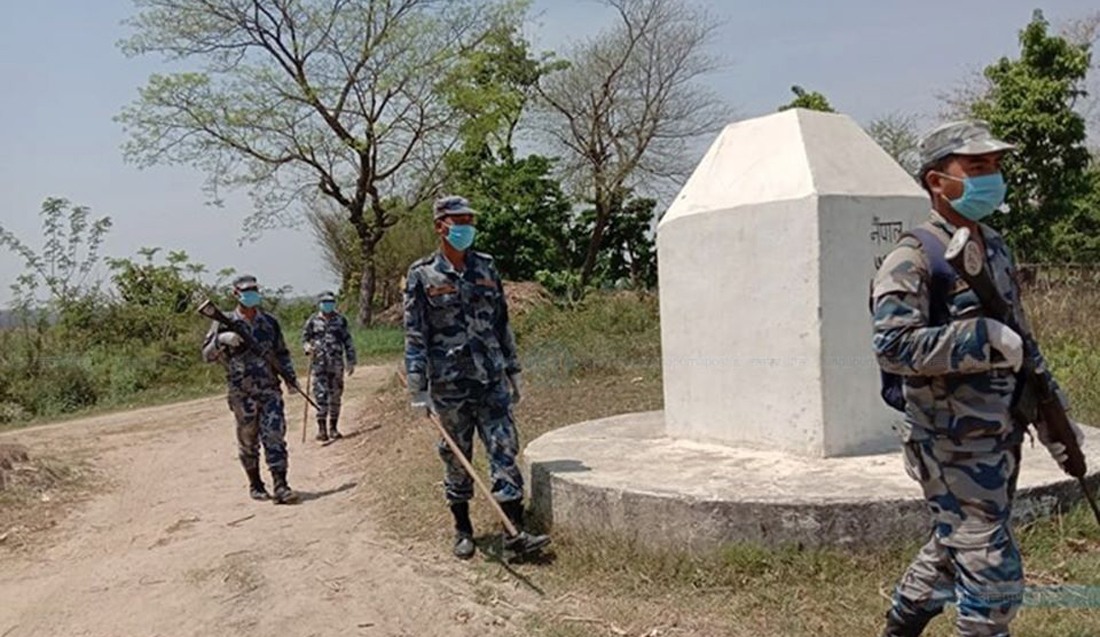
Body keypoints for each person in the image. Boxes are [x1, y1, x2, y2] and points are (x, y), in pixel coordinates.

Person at [871, 120, 1084, 637]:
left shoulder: (995, 247)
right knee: (991, 568)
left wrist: (1056, 418)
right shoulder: (913, 257)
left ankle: (900, 626)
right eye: (976, 166)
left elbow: (1022, 344)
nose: (992, 176)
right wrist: (978, 338)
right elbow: (893, 346)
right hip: (948, 444)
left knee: (953, 545)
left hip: (997, 435)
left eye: (995, 165)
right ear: (936, 182)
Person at [403, 195, 550, 560]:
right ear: (441, 226)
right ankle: (463, 529)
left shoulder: (486, 268)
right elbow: (414, 334)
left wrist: (514, 369)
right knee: (456, 458)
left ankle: (513, 535)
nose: (467, 228)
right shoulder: (422, 274)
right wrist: (417, 386)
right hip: (449, 385)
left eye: (470, 220)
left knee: (504, 449)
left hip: (491, 380)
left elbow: (501, 323)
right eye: (459, 221)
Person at [202, 274, 300, 504]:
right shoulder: (223, 321)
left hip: (269, 389)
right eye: (246, 291)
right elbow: (206, 355)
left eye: (254, 290)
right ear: (236, 294)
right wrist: (222, 340)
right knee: (248, 441)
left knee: (275, 435)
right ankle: (256, 484)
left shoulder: (269, 322)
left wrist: (290, 379)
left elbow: (282, 353)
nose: (251, 294)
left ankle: (281, 485)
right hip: (241, 393)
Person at [302, 291, 357, 442]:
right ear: (319, 303)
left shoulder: (340, 320)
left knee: (335, 396)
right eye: (325, 302)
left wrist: (351, 361)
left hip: (336, 364)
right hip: (319, 365)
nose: (328, 305)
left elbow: (348, 342)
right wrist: (307, 347)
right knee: (320, 396)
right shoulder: (313, 321)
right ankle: (322, 429)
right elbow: (305, 338)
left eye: (331, 302)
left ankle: (333, 427)